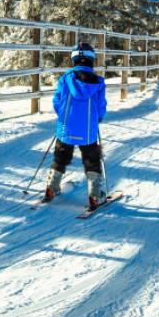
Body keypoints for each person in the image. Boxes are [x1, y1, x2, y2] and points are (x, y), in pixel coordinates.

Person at [44, 42, 107, 210]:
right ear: (91, 60)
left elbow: (57, 101)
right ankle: (94, 194)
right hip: (88, 131)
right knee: (91, 160)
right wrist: (99, 117)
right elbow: (101, 105)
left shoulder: (65, 78)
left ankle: (51, 186)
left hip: (66, 127)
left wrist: (63, 114)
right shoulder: (98, 81)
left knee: (61, 156)